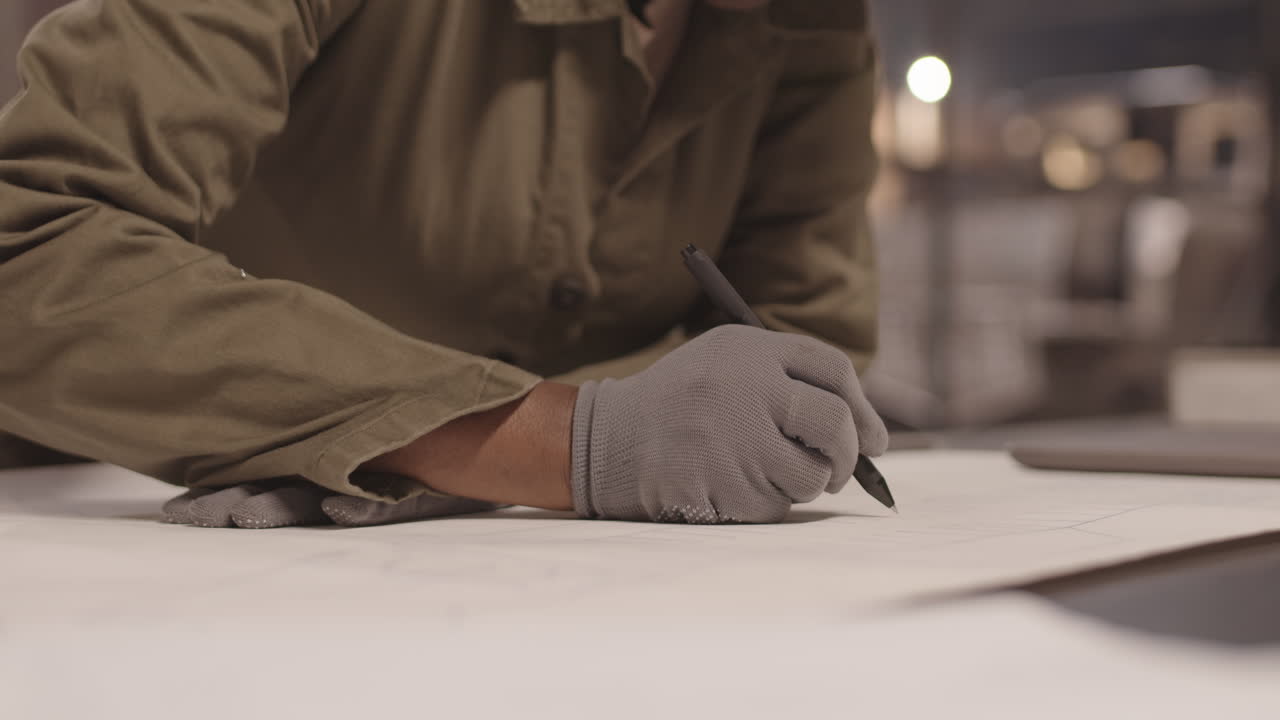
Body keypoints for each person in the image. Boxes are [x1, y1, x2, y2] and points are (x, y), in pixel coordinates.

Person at [0, 0, 887, 528]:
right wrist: (557, 444)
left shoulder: (808, 24)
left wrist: (440, 465)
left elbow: (796, 340)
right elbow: (31, 251)